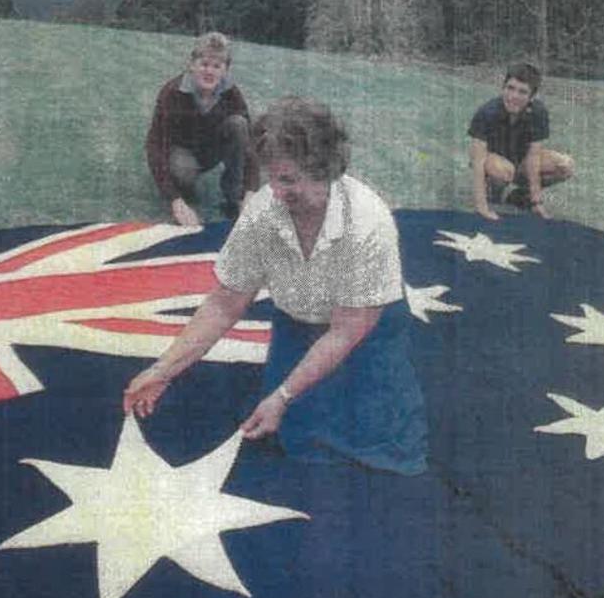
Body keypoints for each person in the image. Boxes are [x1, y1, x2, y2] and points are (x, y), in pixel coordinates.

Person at [124, 97, 428, 474]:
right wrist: (163, 370)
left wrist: (283, 396)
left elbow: (347, 331)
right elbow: (224, 303)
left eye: (288, 179)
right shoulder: (263, 210)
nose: (275, 191)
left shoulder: (368, 222)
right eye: (271, 176)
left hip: (363, 329)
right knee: (294, 437)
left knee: (380, 444)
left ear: (324, 171)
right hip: (299, 322)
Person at [144, 32, 260, 226]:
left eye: (217, 66)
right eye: (204, 64)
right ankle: (185, 195)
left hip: (210, 151)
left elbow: (250, 145)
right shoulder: (172, 92)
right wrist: (175, 201)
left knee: (239, 124)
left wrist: (250, 193)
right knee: (184, 171)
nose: (210, 71)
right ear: (192, 65)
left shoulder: (231, 92)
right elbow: (155, 147)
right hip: (181, 155)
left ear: (225, 70)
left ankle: (235, 196)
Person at [467, 62, 575, 220]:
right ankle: (494, 192)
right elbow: (477, 161)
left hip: (520, 162)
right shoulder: (486, 112)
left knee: (565, 165)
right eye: (510, 88)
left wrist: (536, 201)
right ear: (503, 88)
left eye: (522, 92)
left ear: (532, 96)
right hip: (493, 162)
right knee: (504, 170)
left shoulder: (538, 112)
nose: (513, 96)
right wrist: (481, 206)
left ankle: (519, 196)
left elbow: (533, 157)